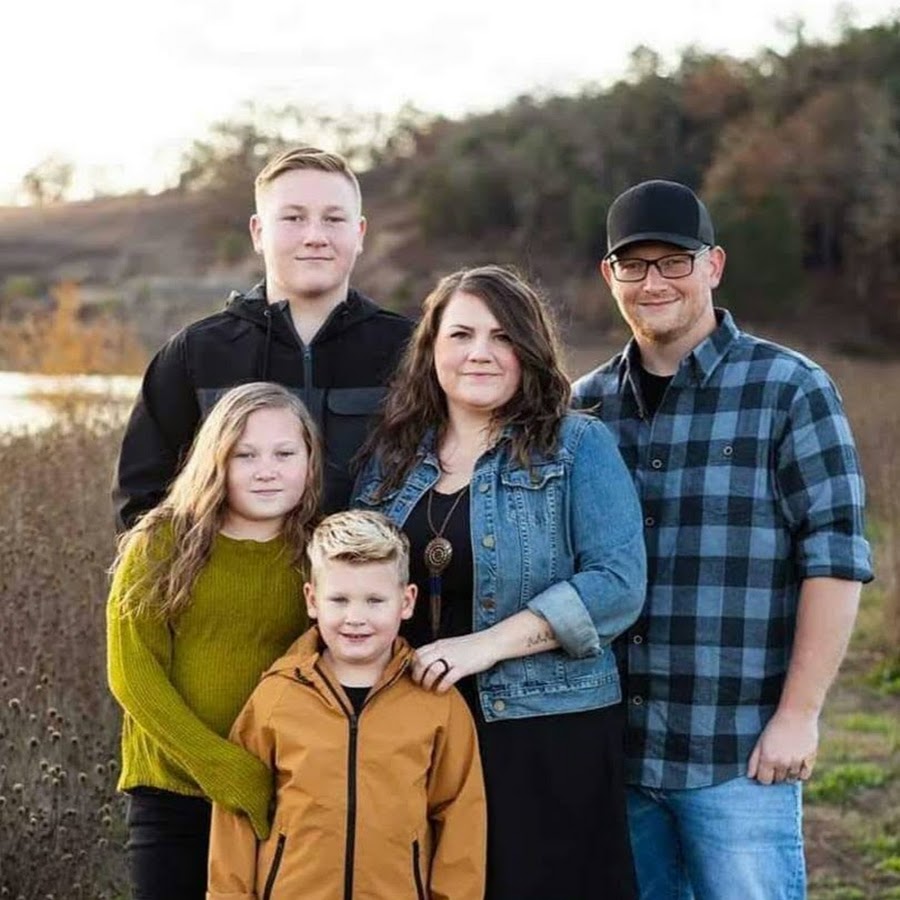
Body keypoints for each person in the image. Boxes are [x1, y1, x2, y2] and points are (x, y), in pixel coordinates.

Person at [572, 179, 875, 899]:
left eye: (674, 261)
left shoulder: (790, 389)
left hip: (737, 754)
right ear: (609, 276)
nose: (654, 282)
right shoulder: (584, 406)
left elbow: (834, 560)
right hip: (617, 754)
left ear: (713, 265)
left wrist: (799, 717)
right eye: (634, 264)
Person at [352, 264, 647, 899]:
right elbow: (350, 575)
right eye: (461, 335)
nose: (480, 353)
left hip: (544, 733)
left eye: (503, 336)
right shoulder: (391, 456)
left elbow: (618, 584)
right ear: (432, 349)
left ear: (529, 349)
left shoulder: (576, 445)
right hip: (418, 727)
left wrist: (484, 646)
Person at [113, 146, 413, 530]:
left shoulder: (411, 350)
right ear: (258, 232)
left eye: (334, 219)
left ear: (359, 234)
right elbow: (140, 503)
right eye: (293, 218)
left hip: (372, 570)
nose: (315, 236)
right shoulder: (195, 354)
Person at [106, 381, 322, 900]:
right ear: (215, 460)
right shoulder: (162, 541)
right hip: (171, 793)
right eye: (245, 455)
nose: (267, 470)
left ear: (310, 461)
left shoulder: (320, 552)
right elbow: (133, 673)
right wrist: (223, 768)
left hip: (281, 793)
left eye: (284, 454)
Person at [207, 509, 486, 900]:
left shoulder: (437, 701)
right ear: (312, 600)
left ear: (406, 602)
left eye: (375, 600)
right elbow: (236, 811)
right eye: (339, 600)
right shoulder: (276, 696)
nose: (355, 618)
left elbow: (461, 817)